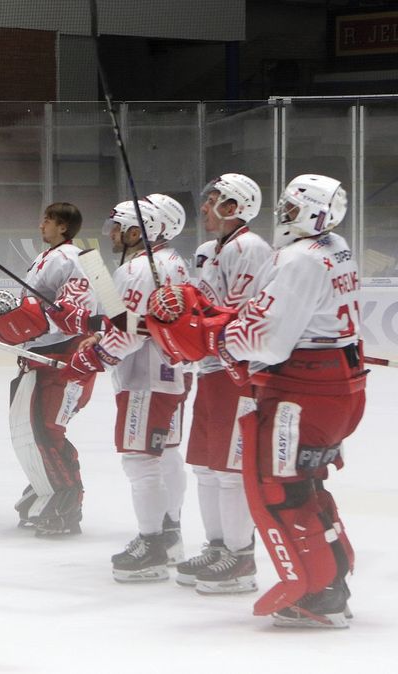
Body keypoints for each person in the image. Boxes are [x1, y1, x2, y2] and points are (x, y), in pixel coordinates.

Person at [145, 174, 365, 628]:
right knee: (305, 485)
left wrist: (211, 334)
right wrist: (219, 317)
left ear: (311, 213)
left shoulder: (298, 259)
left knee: (279, 489)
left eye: (291, 208)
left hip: (303, 390)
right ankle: (331, 581)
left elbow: (267, 339)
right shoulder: (334, 247)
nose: (283, 214)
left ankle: (315, 592)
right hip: (336, 384)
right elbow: (264, 315)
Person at [62, 198, 190, 581]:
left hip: (144, 379)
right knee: (166, 454)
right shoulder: (173, 261)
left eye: (119, 227)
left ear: (139, 230)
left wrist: (96, 356)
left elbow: (130, 331)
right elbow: (134, 321)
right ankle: (170, 536)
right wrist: (102, 337)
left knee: (140, 461)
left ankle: (151, 546)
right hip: (172, 372)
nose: (112, 234)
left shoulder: (137, 268)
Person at [175, 174, 272, 594]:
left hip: (239, 371)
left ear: (234, 206)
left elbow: (237, 313)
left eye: (212, 200)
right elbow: (202, 305)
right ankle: (218, 547)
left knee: (230, 469)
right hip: (211, 369)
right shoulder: (211, 250)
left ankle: (240, 556)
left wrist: (192, 322)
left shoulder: (250, 248)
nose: (204, 208)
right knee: (205, 465)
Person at [0, 202, 97, 534]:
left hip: (63, 358)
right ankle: (45, 485)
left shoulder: (75, 258)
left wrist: (36, 320)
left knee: (47, 429)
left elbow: (82, 311)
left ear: (64, 226)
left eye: (48, 220)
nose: (41, 224)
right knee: (30, 430)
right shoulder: (44, 258)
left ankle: (67, 500)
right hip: (38, 357)